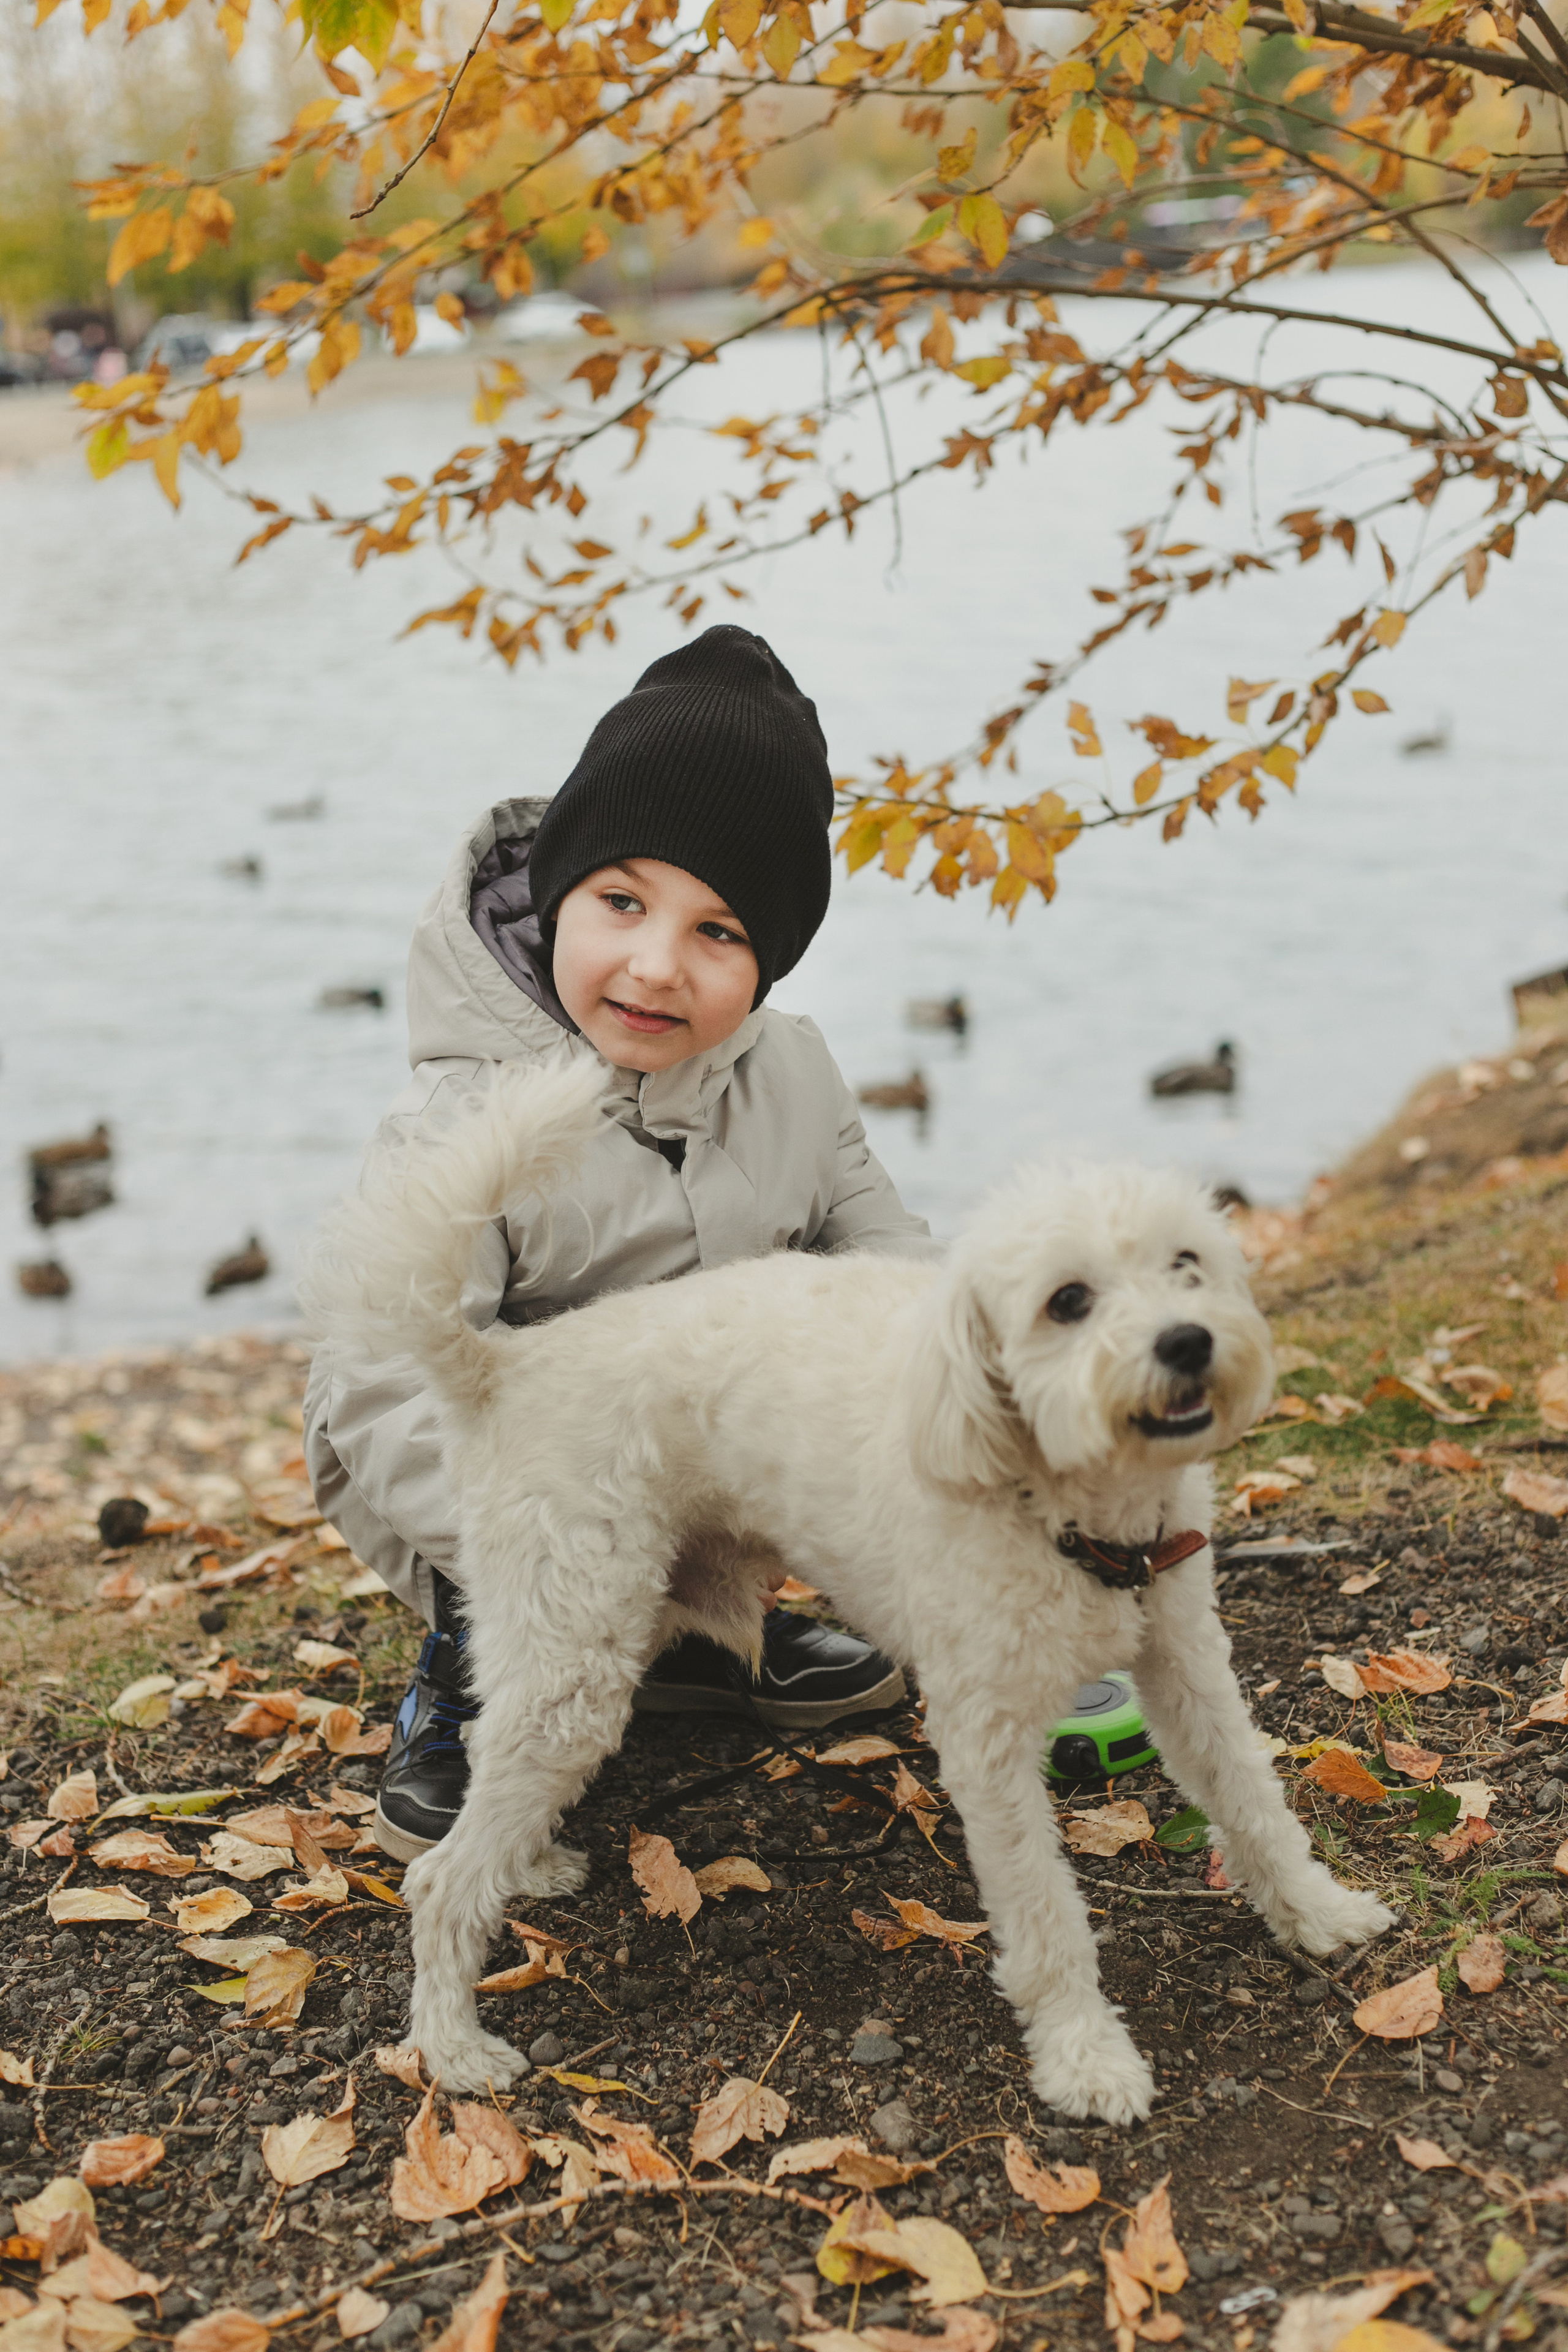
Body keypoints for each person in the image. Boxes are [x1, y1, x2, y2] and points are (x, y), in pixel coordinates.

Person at [303, 625, 940, 1862]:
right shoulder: (459, 1121)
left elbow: (887, 1266)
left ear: (772, 957)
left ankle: (709, 1635)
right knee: (491, 1429)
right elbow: (381, 1385)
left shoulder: (794, 1076)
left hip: (710, 1474)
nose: (655, 966)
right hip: (515, 1497)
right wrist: (576, 1548)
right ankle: (479, 1654)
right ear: (557, 890)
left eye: (718, 933)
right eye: (621, 902)